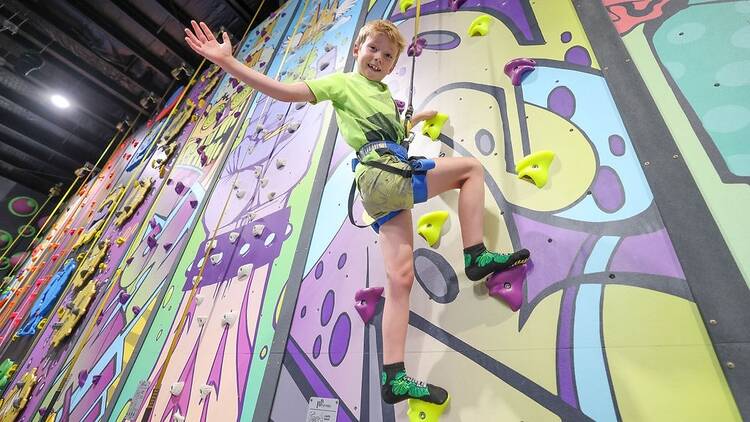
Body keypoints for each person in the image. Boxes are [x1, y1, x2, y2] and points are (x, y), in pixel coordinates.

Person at [185, 19, 529, 407]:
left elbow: (390, 132)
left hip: (377, 185)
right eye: (372, 49)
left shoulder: (380, 94)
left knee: (400, 279)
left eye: (388, 55)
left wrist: (413, 120)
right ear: (356, 50)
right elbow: (284, 92)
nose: (378, 58)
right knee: (470, 171)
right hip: (382, 172)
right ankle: (476, 255)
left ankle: (394, 377)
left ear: (395, 63)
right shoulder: (343, 84)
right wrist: (228, 62)